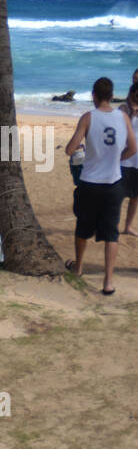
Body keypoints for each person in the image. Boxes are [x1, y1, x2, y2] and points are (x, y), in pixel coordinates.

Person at [65, 76, 137, 295]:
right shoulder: (123, 117)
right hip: (113, 183)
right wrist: (117, 159)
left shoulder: (88, 117)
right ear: (112, 95)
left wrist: (83, 150)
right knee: (111, 234)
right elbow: (133, 147)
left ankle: (78, 268)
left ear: (93, 96)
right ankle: (108, 282)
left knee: (83, 228)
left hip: (90, 182)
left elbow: (70, 149)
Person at [119, 84, 138, 238]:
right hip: (124, 159)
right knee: (117, 196)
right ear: (131, 93)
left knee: (135, 198)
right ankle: (111, 225)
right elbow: (122, 129)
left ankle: (128, 227)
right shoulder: (123, 109)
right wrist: (132, 112)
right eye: (136, 94)